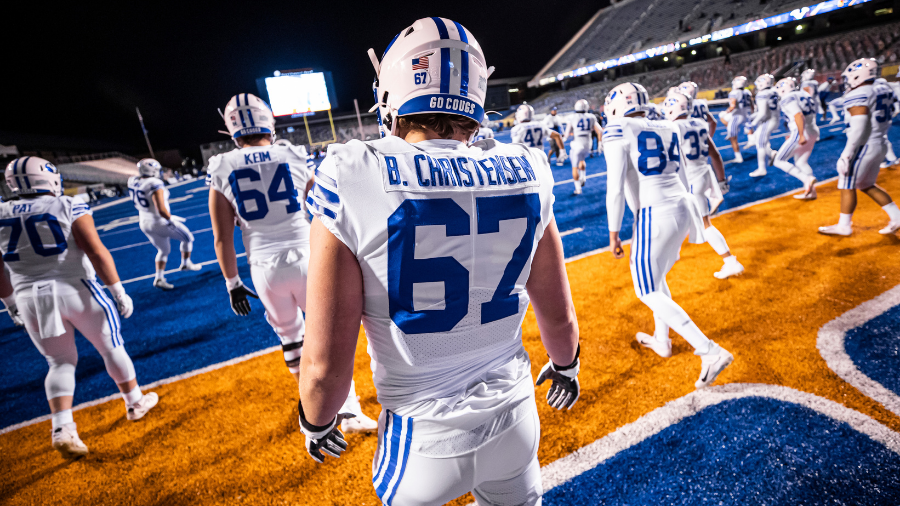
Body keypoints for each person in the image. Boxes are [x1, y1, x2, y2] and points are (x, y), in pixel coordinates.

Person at [299, 17, 580, 506]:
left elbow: (325, 363)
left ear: (392, 90)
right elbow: (558, 313)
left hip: (422, 442)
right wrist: (566, 366)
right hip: (515, 419)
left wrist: (316, 421)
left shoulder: (352, 170)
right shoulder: (529, 167)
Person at [207, 93, 377, 434]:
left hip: (263, 268)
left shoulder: (222, 166)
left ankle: (315, 412)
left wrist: (232, 282)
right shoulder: (290, 153)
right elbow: (325, 207)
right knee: (328, 336)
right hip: (307, 257)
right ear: (267, 121)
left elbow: (222, 237)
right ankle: (349, 410)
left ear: (231, 128)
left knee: (290, 337)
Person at [0, 157, 156, 459]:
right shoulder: (68, 205)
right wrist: (118, 291)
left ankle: (62, 428)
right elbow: (96, 251)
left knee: (59, 363)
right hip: (76, 289)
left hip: (31, 297)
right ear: (46, 178)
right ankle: (134, 401)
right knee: (111, 348)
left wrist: (8, 302)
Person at [603, 82, 733, 388]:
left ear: (615, 106)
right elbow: (684, 174)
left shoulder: (619, 128)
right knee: (657, 280)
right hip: (681, 206)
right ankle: (662, 340)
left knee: (646, 290)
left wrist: (613, 232)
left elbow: (615, 188)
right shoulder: (666, 123)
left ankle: (709, 350)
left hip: (653, 213)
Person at [663, 91, 744, 279]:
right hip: (703, 173)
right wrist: (721, 180)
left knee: (704, 224)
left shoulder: (672, 128)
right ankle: (672, 255)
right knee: (688, 220)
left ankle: (730, 261)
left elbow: (672, 160)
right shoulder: (699, 123)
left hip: (689, 179)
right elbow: (715, 154)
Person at [820, 58, 900, 236]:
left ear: (857, 76)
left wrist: (847, 154)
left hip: (864, 144)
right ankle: (897, 215)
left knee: (847, 183)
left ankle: (844, 225)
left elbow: (859, 126)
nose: (847, 82)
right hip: (880, 142)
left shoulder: (860, 92)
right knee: (866, 184)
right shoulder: (883, 87)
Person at [127, 158, 201, 290]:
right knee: (188, 238)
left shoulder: (133, 181)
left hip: (144, 221)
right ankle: (186, 263)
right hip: (159, 221)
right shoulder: (154, 183)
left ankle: (159, 278)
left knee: (163, 250)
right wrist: (170, 219)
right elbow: (160, 208)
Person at [770, 77, 819, 200]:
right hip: (812, 130)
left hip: (801, 131)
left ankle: (806, 179)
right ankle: (811, 192)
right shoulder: (804, 94)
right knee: (801, 162)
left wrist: (800, 134)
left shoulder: (788, 97)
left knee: (778, 160)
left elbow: (798, 115)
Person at [511, 103, 565, 175]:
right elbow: (557, 135)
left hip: (526, 162)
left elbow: (514, 149)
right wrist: (562, 151)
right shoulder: (540, 125)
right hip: (540, 160)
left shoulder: (517, 128)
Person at [563, 99, 603, 195]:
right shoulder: (591, 116)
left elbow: (567, 134)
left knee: (574, 167)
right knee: (582, 160)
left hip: (577, 144)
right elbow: (600, 131)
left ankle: (578, 189)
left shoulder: (572, 117)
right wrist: (600, 143)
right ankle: (583, 177)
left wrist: (563, 139)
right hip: (588, 144)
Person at [746, 74, 779, 178]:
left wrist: (751, 123)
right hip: (774, 119)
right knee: (757, 139)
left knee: (760, 144)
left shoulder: (762, 94)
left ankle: (762, 169)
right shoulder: (773, 91)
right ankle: (771, 154)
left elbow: (762, 113)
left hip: (767, 121)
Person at [721, 76, 753, 163]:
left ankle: (738, 157)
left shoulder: (734, 93)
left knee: (733, 138)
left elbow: (733, 106)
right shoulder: (747, 92)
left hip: (736, 116)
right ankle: (751, 139)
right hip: (745, 115)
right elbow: (752, 104)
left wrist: (726, 111)